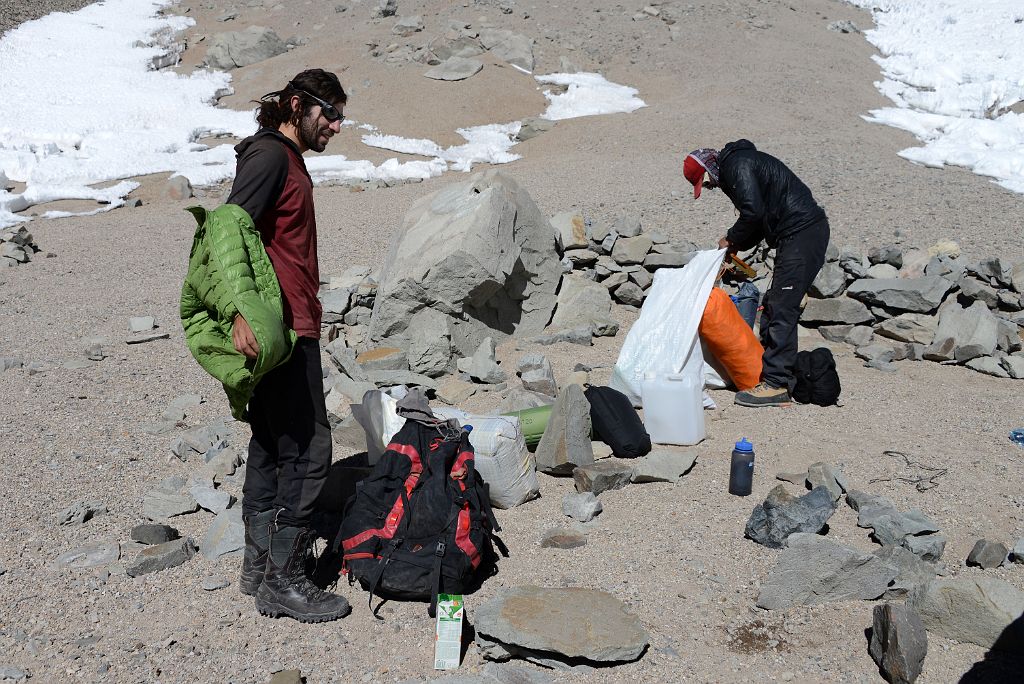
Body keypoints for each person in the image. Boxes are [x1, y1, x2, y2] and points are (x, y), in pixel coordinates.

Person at [225, 68, 350, 622]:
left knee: (273, 444)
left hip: (287, 323)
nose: (337, 126)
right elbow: (228, 232)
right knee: (311, 447)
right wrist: (239, 315)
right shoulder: (271, 156)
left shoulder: (283, 158)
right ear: (297, 104)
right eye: (329, 113)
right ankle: (284, 580)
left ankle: (257, 566)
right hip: (280, 326)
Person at [683, 140, 830, 408]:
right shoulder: (739, 165)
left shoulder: (736, 166)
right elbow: (759, 222)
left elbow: (752, 213)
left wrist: (730, 238)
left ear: (708, 169)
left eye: (705, 182)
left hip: (803, 233)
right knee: (774, 303)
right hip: (795, 235)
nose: (709, 187)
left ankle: (776, 385)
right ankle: (769, 372)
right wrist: (736, 245)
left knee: (782, 305)